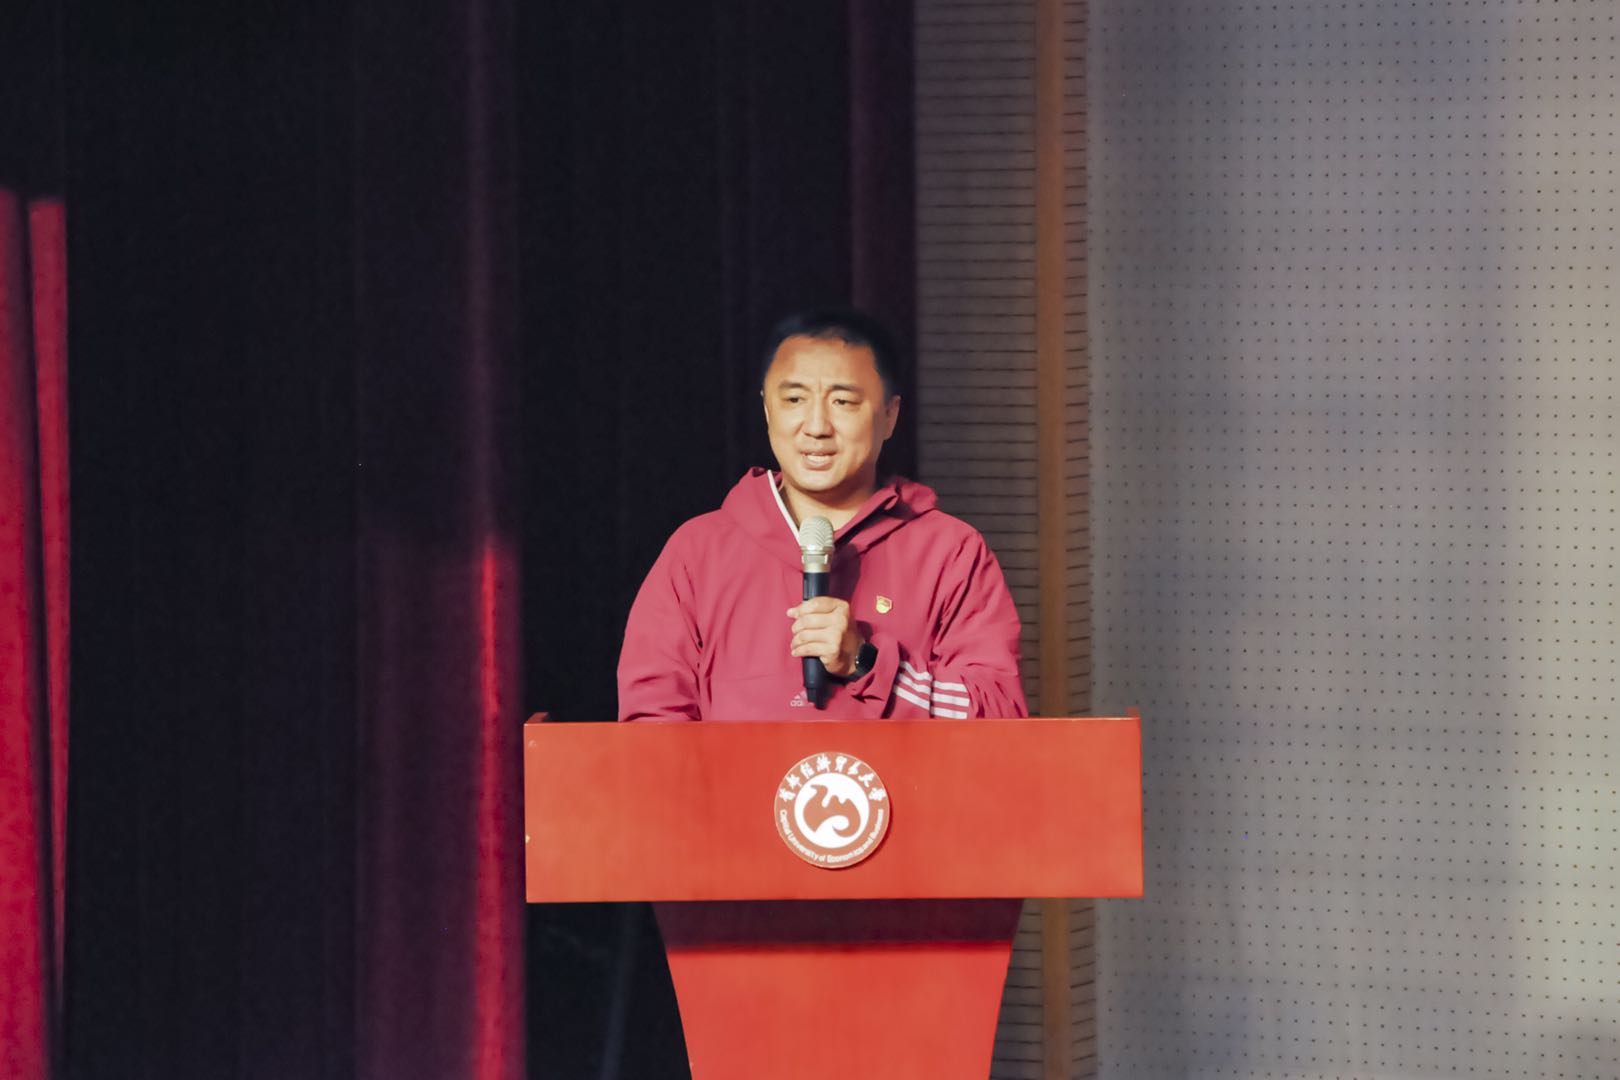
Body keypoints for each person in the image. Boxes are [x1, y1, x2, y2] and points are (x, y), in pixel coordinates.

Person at [617, 309, 1026, 721]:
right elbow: (652, 723)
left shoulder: (951, 552)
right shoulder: (698, 552)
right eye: (794, 400)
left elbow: (998, 718)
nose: (816, 426)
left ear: (889, 416)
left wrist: (866, 663)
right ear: (767, 410)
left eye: (843, 402)